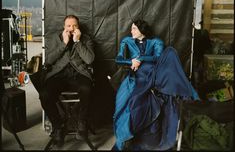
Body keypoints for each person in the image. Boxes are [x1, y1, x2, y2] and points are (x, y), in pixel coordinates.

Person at [112, 19, 199, 150]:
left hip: (153, 71)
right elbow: (118, 59)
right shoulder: (127, 41)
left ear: (142, 30)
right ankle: (129, 134)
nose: (131, 31)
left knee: (170, 53)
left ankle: (181, 91)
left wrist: (140, 58)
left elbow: (158, 58)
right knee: (134, 99)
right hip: (138, 73)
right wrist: (131, 61)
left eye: (134, 28)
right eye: (131, 28)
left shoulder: (156, 42)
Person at [39, 15, 95, 146]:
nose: (71, 28)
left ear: (78, 27)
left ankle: (82, 123)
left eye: (74, 26)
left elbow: (89, 60)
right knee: (45, 94)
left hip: (79, 74)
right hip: (59, 75)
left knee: (87, 89)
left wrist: (77, 41)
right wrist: (64, 43)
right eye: (68, 26)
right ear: (64, 27)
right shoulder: (56, 39)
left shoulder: (86, 39)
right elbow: (49, 60)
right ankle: (58, 126)